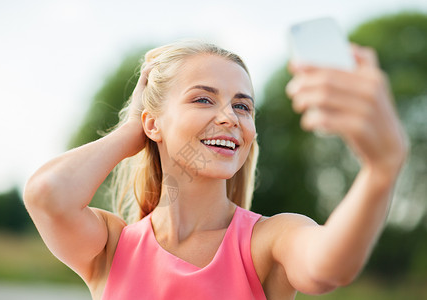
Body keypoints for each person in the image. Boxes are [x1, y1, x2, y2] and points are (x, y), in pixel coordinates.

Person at [23, 40, 408, 300]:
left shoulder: (268, 241)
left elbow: (328, 267)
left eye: (242, 106)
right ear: (152, 124)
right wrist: (130, 132)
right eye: (204, 99)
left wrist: (380, 170)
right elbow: (47, 195)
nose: (229, 117)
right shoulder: (111, 247)